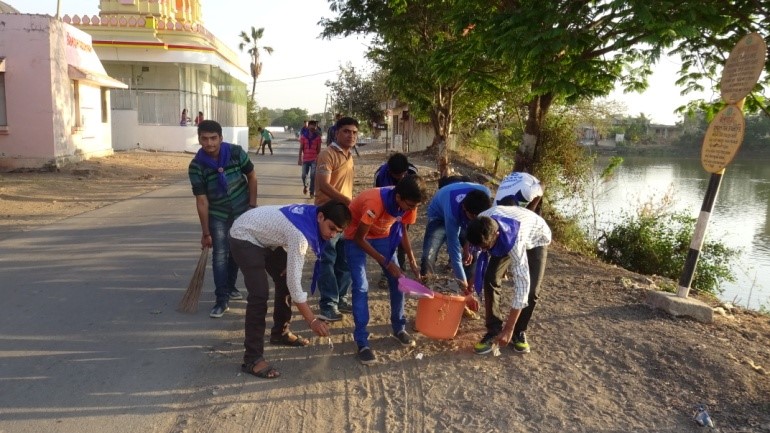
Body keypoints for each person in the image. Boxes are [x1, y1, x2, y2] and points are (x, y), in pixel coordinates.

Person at [229, 201, 351, 378]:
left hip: (262, 236)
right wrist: (312, 321)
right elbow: (296, 288)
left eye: (337, 233)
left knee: (284, 278)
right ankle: (252, 359)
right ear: (321, 217)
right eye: (331, 228)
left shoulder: (311, 215)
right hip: (244, 235)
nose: (332, 235)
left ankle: (280, 333)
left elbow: (282, 229)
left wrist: (287, 261)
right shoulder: (300, 235)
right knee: (259, 295)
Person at [343, 174, 428, 364]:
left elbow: (403, 229)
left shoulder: (409, 202)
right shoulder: (375, 203)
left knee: (398, 280)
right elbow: (359, 238)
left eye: (416, 206)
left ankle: (399, 328)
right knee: (361, 286)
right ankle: (362, 342)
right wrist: (387, 263)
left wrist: (413, 261)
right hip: (356, 235)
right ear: (398, 198)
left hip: (382, 234)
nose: (413, 210)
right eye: (411, 205)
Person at [188, 120, 258, 318]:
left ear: (221, 138)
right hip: (217, 215)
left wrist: (252, 206)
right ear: (199, 139)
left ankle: (230, 286)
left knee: (237, 252)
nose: (209, 143)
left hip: (242, 210)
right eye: (204, 138)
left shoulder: (235, 153)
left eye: (213, 138)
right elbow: (201, 200)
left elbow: (252, 176)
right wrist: (206, 232)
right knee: (220, 255)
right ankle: (221, 299)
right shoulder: (196, 166)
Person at [466, 205, 551, 355]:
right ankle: (494, 330)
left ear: (496, 236)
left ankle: (518, 331)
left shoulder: (515, 246)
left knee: (532, 290)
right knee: (490, 277)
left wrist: (509, 328)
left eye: (485, 247)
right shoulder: (483, 220)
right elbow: (481, 258)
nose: (483, 250)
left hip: (537, 235)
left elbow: (522, 286)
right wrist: (470, 286)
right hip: (510, 227)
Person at [314, 116, 358, 322]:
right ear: (337, 132)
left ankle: (341, 298)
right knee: (328, 261)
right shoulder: (327, 154)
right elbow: (323, 185)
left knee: (345, 260)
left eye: (354, 132)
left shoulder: (349, 155)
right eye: (346, 131)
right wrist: (348, 201)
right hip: (329, 215)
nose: (351, 135)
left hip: (344, 217)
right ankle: (328, 305)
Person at [419, 182, 492, 294]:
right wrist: (462, 283)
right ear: (464, 208)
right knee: (428, 255)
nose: (475, 220)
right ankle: (427, 287)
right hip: (439, 217)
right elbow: (454, 251)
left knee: (474, 249)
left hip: (462, 215)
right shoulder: (452, 213)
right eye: (473, 217)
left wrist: (468, 246)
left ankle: (468, 287)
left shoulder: (485, 195)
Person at [373, 152, 419, 287]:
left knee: (401, 236)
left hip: (405, 208)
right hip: (387, 207)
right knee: (388, 239)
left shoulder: (413, 172)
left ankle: (401, 266)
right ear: (390, 171)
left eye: (403, 175)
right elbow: (377, 195)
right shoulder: (380, 175)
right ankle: (387, 272)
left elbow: (417, 193)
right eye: (397, 176)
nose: (401, 178)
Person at [298, 120, 322, 197]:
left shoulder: (318, 138)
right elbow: (301, 148)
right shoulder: (303, 137)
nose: (312, 128)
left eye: (314, 127)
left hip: (314, 159)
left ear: (315, 127)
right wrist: (299, 158)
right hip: (305, 159)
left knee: (313, 175)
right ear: (308, 127)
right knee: (303, 175)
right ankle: (305, 186)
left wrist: (319, 159)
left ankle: (312, 191)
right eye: (311, 127)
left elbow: (319, 150)